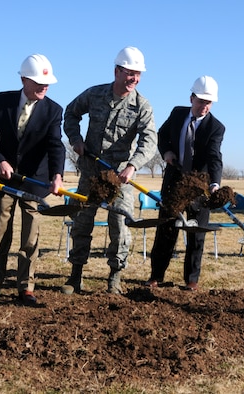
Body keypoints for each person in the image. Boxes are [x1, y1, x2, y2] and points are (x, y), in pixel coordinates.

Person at [61, 46, 157, 295]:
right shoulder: (94, 94)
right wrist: (75, 139)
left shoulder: (142, 106)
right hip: (91, 173)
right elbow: (70, 113)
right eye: (129, 73)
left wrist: (133, 165)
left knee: (121, 228)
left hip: (119, 178)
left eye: (138, 74)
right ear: (117, 71)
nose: (133, 79)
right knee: (81, 223)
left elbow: (149, 141)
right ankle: (75, 276)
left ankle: (115, 278)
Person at [0, 54, 65, 305]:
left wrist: (56, 176)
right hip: (3, 180)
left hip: (34, 183)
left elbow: (55, 146)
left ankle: (26, 288)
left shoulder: (53, 110)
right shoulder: (1, 100)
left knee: (30, 238)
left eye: (47, 82)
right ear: (24, 79)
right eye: (38, 81)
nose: (44, 86)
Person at [144, 75, 225, 291]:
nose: (204, 107)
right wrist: (167, 151)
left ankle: (191, 280)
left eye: (208, 103)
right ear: (191, 98)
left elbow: (214, 157)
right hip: (174, 184)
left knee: (196, 234)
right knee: (166, 232)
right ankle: (155, 277)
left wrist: (214, 184)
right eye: (201, 102)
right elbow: (162, 135)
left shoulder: (216, 128)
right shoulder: (177, 113)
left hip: (199, 187)